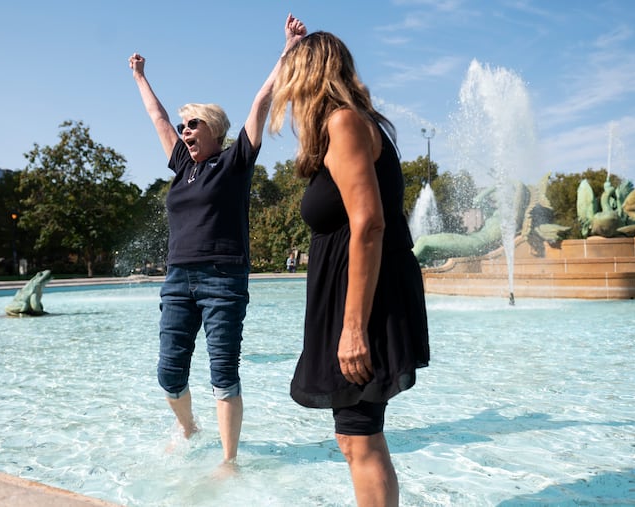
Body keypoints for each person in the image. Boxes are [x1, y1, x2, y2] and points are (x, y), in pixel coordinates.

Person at [128, 14, 306, 465]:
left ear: (213, 129)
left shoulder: (234, 163)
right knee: (169, 375)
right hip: (177, 280)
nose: (185, 131)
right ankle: (187, 427)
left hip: (223, 281)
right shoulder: (183, 167)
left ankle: (228, 462)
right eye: (184, 126)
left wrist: (287, 48)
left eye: (193, 126)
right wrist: (140, 76)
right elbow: (158, 115)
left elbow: (262, 99)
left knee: (223, 375)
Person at [269, 32, 430, 505]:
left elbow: (370, 226)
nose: (287, 92)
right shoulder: (347, 126)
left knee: (360, 439)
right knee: (354, 437)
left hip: (364, 304)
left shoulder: (344, 123)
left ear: (308, 77)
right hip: (355, 298)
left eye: (291, 77)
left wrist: (353, 327)